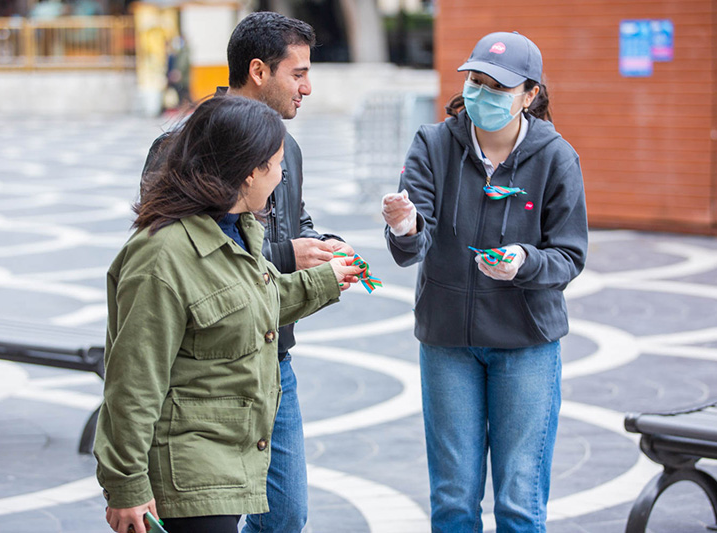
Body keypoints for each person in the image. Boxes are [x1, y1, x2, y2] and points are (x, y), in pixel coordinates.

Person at [94, 96, 363, 533]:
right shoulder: (161, 255)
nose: (281, 176)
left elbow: (251, 303)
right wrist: (126, 483)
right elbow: (133, 382)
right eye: (277, 164)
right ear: (248, 171)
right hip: (188, 471)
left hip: (232, 453)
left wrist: (327, 280)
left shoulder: (238, 229)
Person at [140, 12, 354, 533]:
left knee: (286, 516)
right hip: (204, 375)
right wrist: (287, 255)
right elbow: (178, 255)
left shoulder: (288, 145)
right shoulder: (180, 146)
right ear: (258, 71)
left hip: (273, 360)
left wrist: (322, 246)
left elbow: (294, 220)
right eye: (298, 73)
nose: (307, 87)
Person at [382, 31, 588, 532]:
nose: (482, 94)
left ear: (529, 95)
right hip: (447, 341)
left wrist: (525, 262)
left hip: (526, 343)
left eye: (498, 87)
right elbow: (412, 248)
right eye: (475, 81)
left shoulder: (556, 157)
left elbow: (569, 256)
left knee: (519, 501)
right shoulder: (433, 144)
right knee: (453, 500)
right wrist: (405, 226)